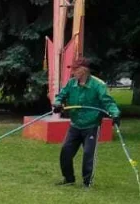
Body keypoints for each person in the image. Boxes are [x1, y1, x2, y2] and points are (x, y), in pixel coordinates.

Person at [52, 57, 121, 189]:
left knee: (88, 154)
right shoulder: (71, 83)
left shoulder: (98, 85)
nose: (72, 72)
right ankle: (69, 179)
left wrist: (115, 113)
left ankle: (87, 182)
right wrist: (57, 103)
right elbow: (61, 95)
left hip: (91, 125)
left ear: (83, 71)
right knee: (65, 152)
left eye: (75, 70)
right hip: (75, 124)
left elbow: (108, 101)